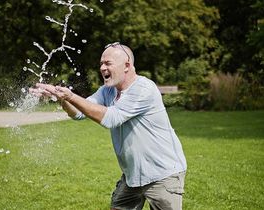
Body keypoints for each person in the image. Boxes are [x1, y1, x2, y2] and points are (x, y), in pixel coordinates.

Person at [29, 42, 187, 210]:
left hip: (162, 174)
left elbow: (112, 118)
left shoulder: (143, 88)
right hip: (133, 176)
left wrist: (71, 96)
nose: (103, 68)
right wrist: (62, 99)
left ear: (127, 65)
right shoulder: (107, 91)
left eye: (108, 63)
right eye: (101, 64)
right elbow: (79, 113)